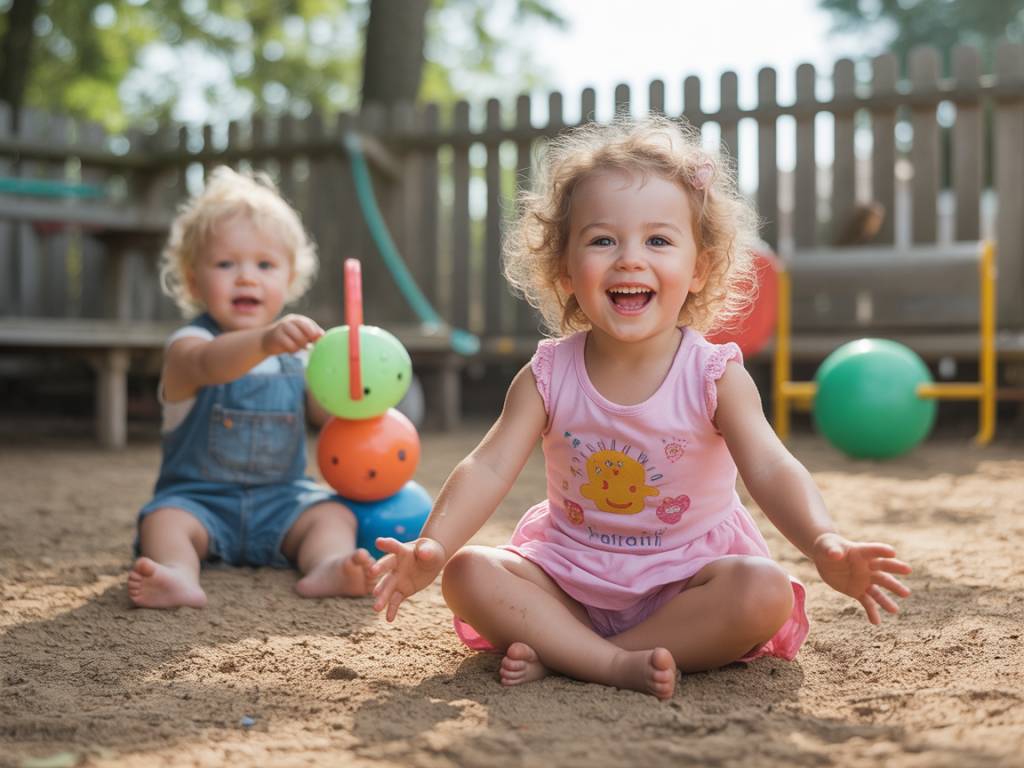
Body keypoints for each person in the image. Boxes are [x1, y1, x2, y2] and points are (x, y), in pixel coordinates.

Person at [369, 116, 911, 700]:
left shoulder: (713, 375)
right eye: (603, 240)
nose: (630, 259)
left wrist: (823, 542)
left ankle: (572, 653)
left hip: (687, 585)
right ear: (564, 269)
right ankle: (604, 659)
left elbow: (771, 466)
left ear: (699, 268)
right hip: (568, 578)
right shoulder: (547, 374)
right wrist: (434, 544)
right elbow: (489, 465)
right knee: (469, 574)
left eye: (658, 241)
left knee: (764, 592)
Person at [128, 166, 375, 609]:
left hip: (283, 501)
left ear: (289, 279)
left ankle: (328, 564)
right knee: (163, 521)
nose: (246, 277)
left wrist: (351, 391)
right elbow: (208, 364)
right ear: (193, 279)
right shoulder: (188, 346)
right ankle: (178, 572)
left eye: (265, 265)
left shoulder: (300, 357)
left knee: (332, 514)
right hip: (198, 502)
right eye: (226, 264)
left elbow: (324, 416)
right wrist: (263, 342)